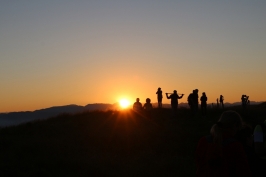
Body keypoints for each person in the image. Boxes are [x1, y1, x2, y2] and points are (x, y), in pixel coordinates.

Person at [196, 110, 252, 177]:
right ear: (235, 126)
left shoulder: (203, 141)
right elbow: (244, 172)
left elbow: (198, 164)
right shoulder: (235, 146)